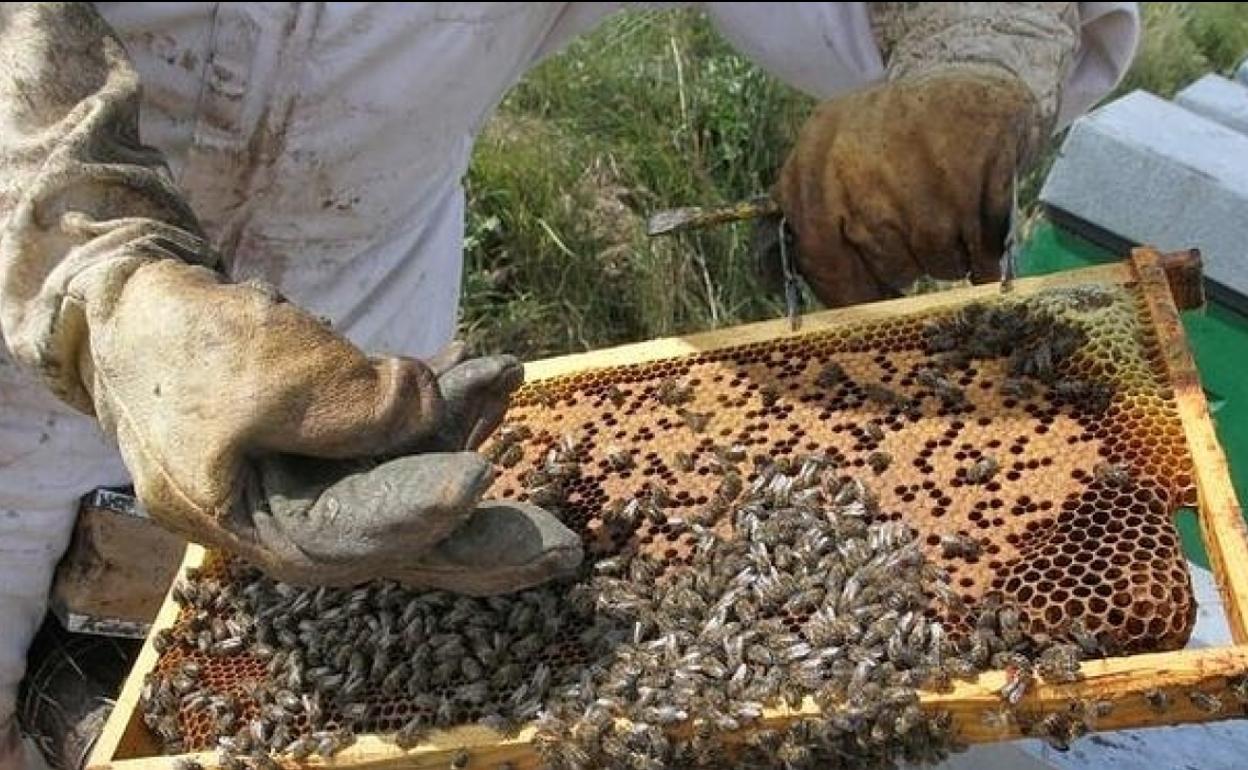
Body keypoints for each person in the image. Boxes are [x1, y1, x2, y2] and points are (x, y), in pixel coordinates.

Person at [0, 3, 1138, 767]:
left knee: (349, 716)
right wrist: (103, 285)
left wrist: (976, 48)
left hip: (361, 396)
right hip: (22, 349)